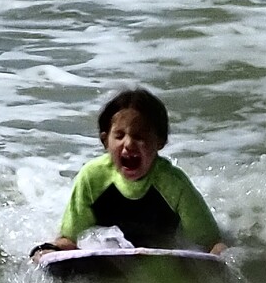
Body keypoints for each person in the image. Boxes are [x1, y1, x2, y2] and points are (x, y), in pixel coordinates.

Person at [30, 88, 225, 261]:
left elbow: (211, 244)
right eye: (119, 135)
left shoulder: (174, 184)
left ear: (160, 142)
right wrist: (48, 251)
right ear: (105, 141)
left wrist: (226, 260)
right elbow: (70, 241)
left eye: (139, 136)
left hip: (162, 260)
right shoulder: (92, 178)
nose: (129, 144)